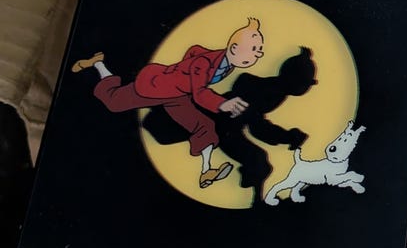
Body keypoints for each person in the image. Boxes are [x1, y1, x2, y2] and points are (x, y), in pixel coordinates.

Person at [72, 17, 264, 188]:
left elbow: (194, 50)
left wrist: (183, 73)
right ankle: (98, 63)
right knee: (114, 102)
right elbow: (199, 93)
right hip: (159, 87)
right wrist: (221, 103)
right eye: (255, 49)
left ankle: (207, 171)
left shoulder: (226, 63)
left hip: (178, 95)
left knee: (204, 126)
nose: (259, 54)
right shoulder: (205, 63)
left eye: (260, 50)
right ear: (234, 48)